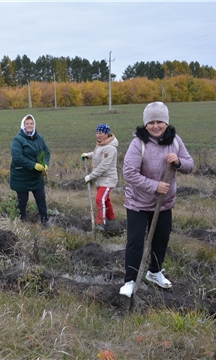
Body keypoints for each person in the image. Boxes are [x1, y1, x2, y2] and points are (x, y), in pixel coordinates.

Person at [119, 102, 194, 298]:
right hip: (138, 203)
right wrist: (155, 186)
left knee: (161, 240)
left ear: (166, 123)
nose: (155, 126)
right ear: (145, 124)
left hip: (164, 203)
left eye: (159, 121)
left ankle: (154, 272)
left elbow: (190, 165)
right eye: (151, 122)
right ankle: (130, 281)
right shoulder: (138, 144)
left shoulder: (175, 141)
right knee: (135, 241)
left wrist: (178, 162)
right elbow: (129, 173)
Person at [10, 114, 51, 224]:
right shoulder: (18, 140)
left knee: (41, 199)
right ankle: (22, 221)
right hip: (21, 176)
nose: (29, 125)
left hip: (36, 177)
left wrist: (45, 164)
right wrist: (33, 165)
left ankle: (44, 220)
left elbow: (46, 152)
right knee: (22, 201)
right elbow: (17, 157)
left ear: (34, 125)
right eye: (27, 123)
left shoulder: (39, 138)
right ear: (23, 125)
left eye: (31, 123)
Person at [81, 123, 119, 232]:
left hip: (108, 179)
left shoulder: (110, 148)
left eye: (101, 133)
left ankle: (100, 223)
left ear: (107, 134)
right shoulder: (101, 144)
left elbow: (104, 166)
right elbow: (96, 154)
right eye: (97, 133)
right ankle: (111, 218)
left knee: (100, 199)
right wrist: (88, 155)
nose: (98, 135)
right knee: (105, 200)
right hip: (101, 179)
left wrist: (90, 176)